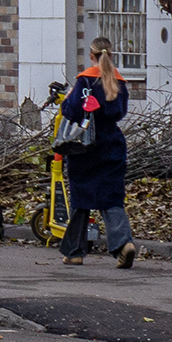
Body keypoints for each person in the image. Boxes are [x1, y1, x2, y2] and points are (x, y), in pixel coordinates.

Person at [59, 37, 139, 267]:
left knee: (81, 198)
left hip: (84, 147)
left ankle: (75, 251)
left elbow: (71, 111)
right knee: (111, 198)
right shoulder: (118, 82)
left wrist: (67, 100)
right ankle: (124, 244)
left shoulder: (85, 81)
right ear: (110, 55)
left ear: (91, 56)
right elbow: (120, 112)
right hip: (112, 144)